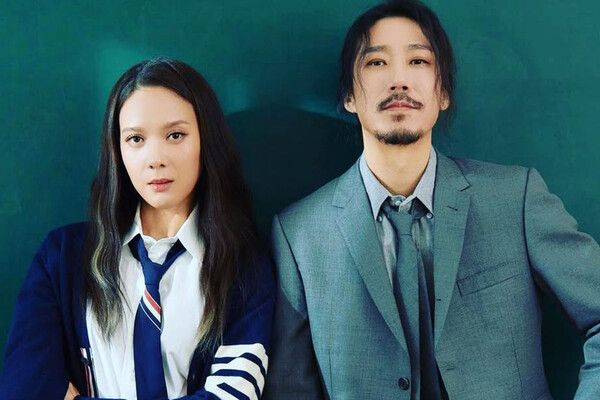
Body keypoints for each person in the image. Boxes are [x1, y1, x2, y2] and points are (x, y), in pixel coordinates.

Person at [263, 1, 600, 399]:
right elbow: (291, 390)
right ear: (349, 96)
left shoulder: (516, 198)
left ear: (443, 93)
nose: (398, 80)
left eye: (418, 61)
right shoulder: (299, 235)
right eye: (376, 63)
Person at [0, 58, 274, 400]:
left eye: (175, 135)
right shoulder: (61, 258)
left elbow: (233, 396)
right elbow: (24, 389)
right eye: (135, 139)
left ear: (206, 140)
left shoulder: (245, 267)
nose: (155, 158)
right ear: (117, 150)